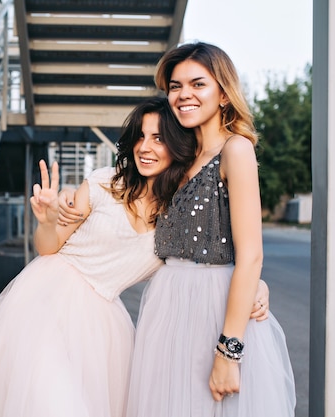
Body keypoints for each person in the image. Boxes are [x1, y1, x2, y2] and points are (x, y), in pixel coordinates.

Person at [0, 96, 199, 417]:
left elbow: (202, 269)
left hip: (104, 328)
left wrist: (254, 285)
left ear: (178, 144)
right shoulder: (104, 182)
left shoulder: (180, 218)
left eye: (158, 138)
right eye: (140, 137)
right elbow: (48, 247)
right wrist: (47, 221)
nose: (145, 147)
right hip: (45, 300)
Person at [125, 42, 296, 416]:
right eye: (175, 86)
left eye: (197, 84)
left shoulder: (236, 150)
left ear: (222, 92)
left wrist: (228, 351)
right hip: (167, 309)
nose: (184, 94)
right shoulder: (178, 155)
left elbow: (250, 254)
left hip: (214, 311)